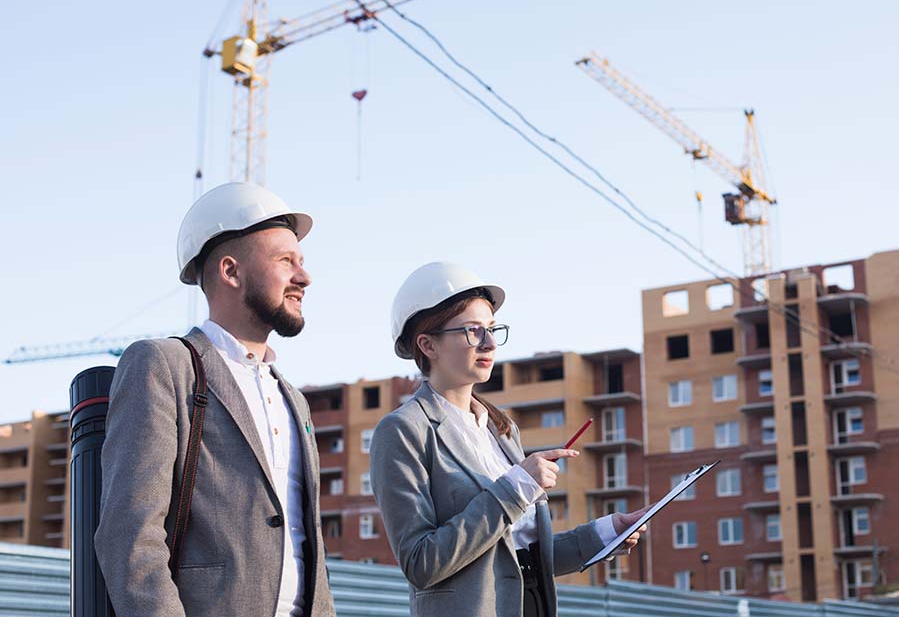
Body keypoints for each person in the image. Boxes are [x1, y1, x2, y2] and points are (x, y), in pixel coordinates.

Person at [94, 182, 336, 617]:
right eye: (286, 261)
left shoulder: (293, 399)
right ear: (231, 271)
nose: (305, 276)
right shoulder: (166, 365)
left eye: (302, 262)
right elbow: (130, 534)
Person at [370, 262, 650, 617]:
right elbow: (422, 563)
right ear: (428, 344)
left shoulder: (501, 430)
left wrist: (603, 534)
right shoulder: (403, 431)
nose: (489, 343)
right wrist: (514, 488)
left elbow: (518, 555)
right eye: (473, 331)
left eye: (492, 329)